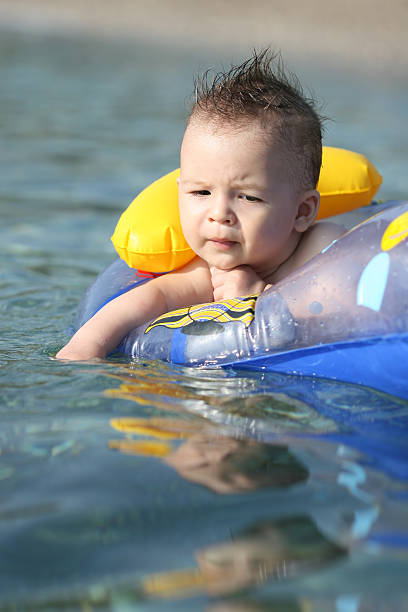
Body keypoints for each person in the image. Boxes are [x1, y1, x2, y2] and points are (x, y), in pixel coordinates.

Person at [57, 50, 343, 361]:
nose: (219, 214)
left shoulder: (322, 247)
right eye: (201, 193)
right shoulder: (208, 272)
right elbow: (148, 299)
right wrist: (85, 348)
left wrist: (260, 299)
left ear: (302, 212)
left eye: (248, 197)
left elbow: (345, 312)